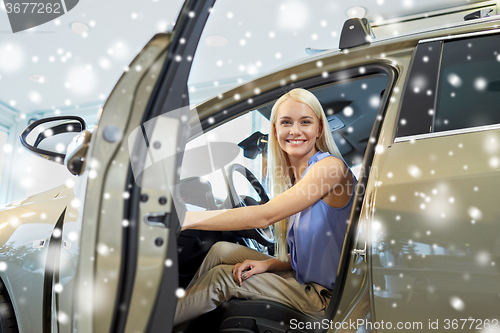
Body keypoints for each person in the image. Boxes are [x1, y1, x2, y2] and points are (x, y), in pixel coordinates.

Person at [174, 88, 357, 326]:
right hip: (305, 278)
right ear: (275, 129)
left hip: (327, 298)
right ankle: (184, 324)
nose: (295, 130)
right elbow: (309, 257)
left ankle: (151, 326)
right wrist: (267, 264)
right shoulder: (297, 178)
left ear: (319, 129)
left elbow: (264, 216)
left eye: (305, 122)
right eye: (286, 122)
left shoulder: (328, 168)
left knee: (222, 278)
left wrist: (185, 218)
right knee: (221, 251)